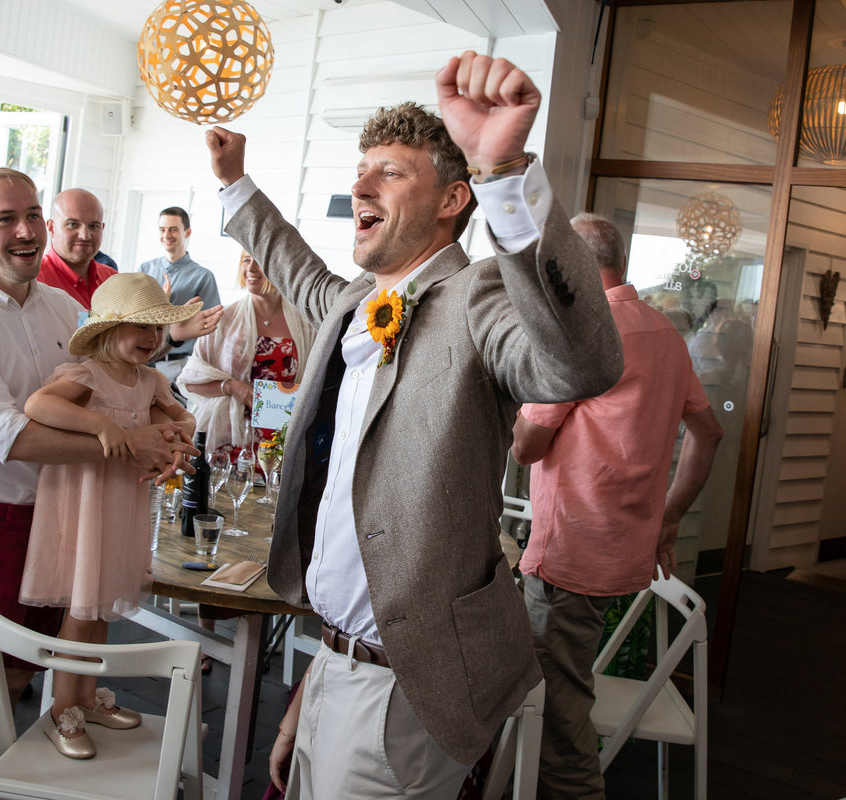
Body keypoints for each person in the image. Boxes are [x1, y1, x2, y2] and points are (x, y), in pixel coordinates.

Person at [206, 51, 624, 798]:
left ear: (451, 199)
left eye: (391, 172)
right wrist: (235, 181)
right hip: (329, 659)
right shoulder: (353, 301)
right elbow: (296, 268)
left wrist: (505, 175)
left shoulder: (479, 297)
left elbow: (580, 365)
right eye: (362, 168)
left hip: (408, 687)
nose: (360, 185)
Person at [0, 167, 197, 798]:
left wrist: (167, 435)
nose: (26, 231)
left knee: (12, 680)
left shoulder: (65, 308)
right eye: (4, 219)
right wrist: (126, 449)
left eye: (32, 215)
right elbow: (9, 437)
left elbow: (122, 389)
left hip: (64, 522)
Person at [511, 213, 724, 800]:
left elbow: (528, 445)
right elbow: (708, 433)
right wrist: (671, 515)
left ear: (575, 264)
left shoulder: (586, 331)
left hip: (571, 553)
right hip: (622, 555)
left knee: (559, 715)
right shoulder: (664, 332)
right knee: (557, 691)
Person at [20, 272, 199, 759]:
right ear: (106, 329)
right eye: (140, 327)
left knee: (99, 608)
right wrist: (99, 423)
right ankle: (62, 710)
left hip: (121, 503)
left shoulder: (150, 380)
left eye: (157, 330)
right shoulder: (85, 376)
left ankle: (86, 696)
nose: (151, 339)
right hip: (84, 504)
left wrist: (179, 428)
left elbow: (178, 415)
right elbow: (38, 405)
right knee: (80, 610)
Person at [178, 249, 315, 454]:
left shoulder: (305, 326)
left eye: (258, 261)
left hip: (279, 443)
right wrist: (234, 387)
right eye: (246, 260)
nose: (250, 268)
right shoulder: (224, 320)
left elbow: (315, 383)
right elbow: (190, 379)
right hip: (230, 439)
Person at [138, 206, 221, 382]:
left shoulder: (203, 277)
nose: (166, 235)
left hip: (178, 366)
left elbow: (211, 326)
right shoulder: (145, 270)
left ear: (187, 232)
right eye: (162, 229)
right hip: (140, 361)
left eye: (173, 229)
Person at [38, 188, 117, 309]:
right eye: (72, 224)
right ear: (51, 228)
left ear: (102, 228)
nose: (85, 235)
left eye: (93, 226)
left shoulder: (111, 278)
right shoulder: (33, 281)